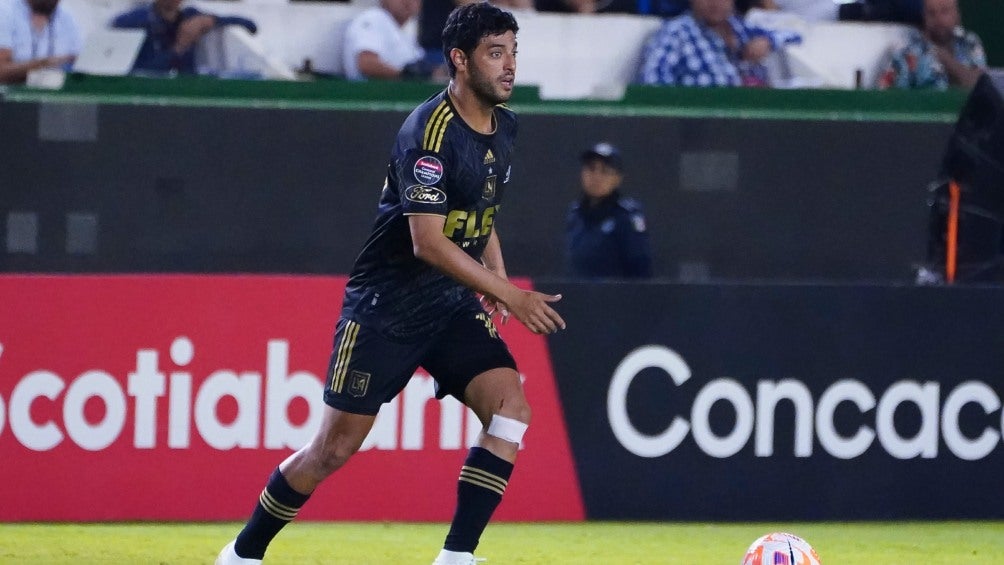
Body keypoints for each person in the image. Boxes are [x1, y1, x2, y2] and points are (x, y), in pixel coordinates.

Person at [216, 3, 565, 565]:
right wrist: (511, 294)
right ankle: (242, 554)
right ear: (459, 59)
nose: (509, 66)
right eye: (495, 53)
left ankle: (456, 558)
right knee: (332, 450)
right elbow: (428, 242)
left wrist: (496, 274)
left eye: (513, 52)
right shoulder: (428, 132)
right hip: (387, 307)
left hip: (450, 305)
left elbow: (482, 209)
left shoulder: (506, 126)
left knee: (510, 410)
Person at [637, 0, 799, 87]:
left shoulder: (742, 29)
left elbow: (795, 34)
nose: (715, 2)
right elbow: (651, 86)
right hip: (702, 126)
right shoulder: (675, 33)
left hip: (755, 121)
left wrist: (768, 41)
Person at [565, 142, 653, 279]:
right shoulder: (575, 214)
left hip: (615, 292)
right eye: (591, 169)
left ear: (617, 179)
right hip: (579, 291)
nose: (596, 176)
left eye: (605, 171)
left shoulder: (626, 217)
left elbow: (641, 271)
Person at [111, 0, 257, 75]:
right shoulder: (135, 21)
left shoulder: (189, 16)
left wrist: (209, 20)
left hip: (188, 89)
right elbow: (139, 70)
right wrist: (179, 47)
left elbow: (250, 25)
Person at [876, 0, 985, 90]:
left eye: (945, 11)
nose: (939, 19)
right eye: (932, 13)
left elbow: (979, 85)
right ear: (924, 17)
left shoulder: (969, 43)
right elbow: (887, 96)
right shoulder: (908, 52)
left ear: (957, 15)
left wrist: (945, 59)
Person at [343, 0, 441, 81]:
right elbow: (366, 63)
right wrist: (406, 75)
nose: (407, 1)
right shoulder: (374, 17)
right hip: (372, 93)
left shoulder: (407, 30)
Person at [0, 0, 80, 84]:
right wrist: (45, 64)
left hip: (50, 90)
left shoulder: (67, 19)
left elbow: (78, 64)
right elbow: (1, 71)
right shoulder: (5, 10)